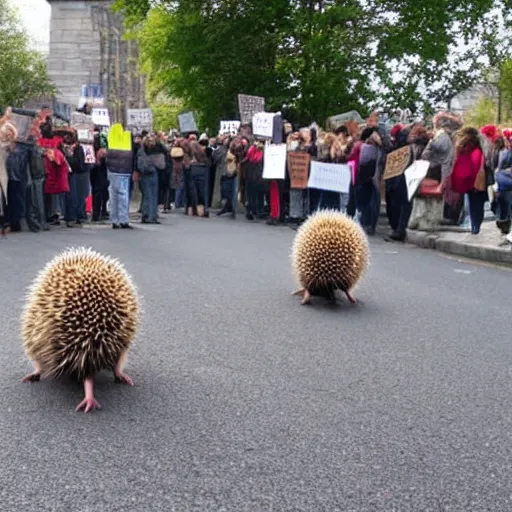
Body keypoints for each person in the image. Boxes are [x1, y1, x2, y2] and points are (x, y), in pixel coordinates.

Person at [450, 127, 486, 234]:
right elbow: (476, 164)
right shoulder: (477, 149)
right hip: (475, 181)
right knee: (477, 204)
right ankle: (475, 226)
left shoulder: (460, 148)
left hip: (463, 180)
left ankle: (472, 225)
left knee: (470, 203)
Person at [106, 132, 134, 229]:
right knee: (123, 195)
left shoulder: (111, 139)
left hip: (113, 170)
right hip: (125, 170)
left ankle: (115, 220)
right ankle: (123, 220)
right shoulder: (127, 139)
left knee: (114, 195)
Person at [136, 136, 159, 224]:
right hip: (151, 173)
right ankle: (151, 216)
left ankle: (147, 215)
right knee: (152, 196)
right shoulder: (153, 151)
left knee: (147, 195)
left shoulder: (141, 151)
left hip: (145, 174)